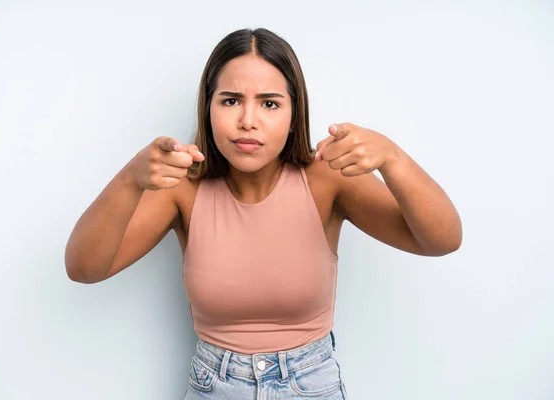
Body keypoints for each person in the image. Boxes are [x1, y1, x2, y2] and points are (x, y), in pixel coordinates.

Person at [65, 28, 462, 399]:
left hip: (312, 383)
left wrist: (392, 158)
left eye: (269, 103)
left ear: (293, 116)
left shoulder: (327, 179)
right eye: (231, 100)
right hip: (213, 385)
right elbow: (84, 268)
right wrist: (130, 179)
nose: (248, 120)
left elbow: (441, 240)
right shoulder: (184, 186)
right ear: (208, 108)